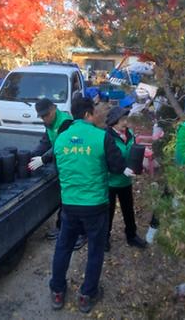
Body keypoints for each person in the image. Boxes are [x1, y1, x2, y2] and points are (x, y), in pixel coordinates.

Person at [49, 96, 130, 313]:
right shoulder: (101, 137)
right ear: (86, 114)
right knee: (95, 250)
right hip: (95, 205)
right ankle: (87, 294)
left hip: (69, 205)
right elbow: (117, 167)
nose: (95, 116)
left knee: (63, 246)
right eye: (93, 113)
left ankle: (57, 291)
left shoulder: (61, 138)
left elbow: (58, 171)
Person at [28, 99, 82, 247]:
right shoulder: (49, 123)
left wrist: (44, 159)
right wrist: (32, 155)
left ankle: (80, 233)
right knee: (64, 199)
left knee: (75, 199)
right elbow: (46, 142)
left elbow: (61, 144)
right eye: (42, 117)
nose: (44, 119)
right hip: (62, 164)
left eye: (46, 115)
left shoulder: (65, 122)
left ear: (54, 109)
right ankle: (61, 227)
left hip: (73, 165)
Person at [104, 106, 148, 252]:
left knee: (128, 209)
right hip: (110, 181)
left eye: (125, 119)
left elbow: (133, 152)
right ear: (113, 122)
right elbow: (109, 159)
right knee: (108, 212)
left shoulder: (129, 134)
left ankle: (132, 236)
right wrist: (122, 168)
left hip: (126, 181)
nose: (125, 122)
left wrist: (142, 159)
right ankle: (104, 238)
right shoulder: (106, 136)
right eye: (122, 120)